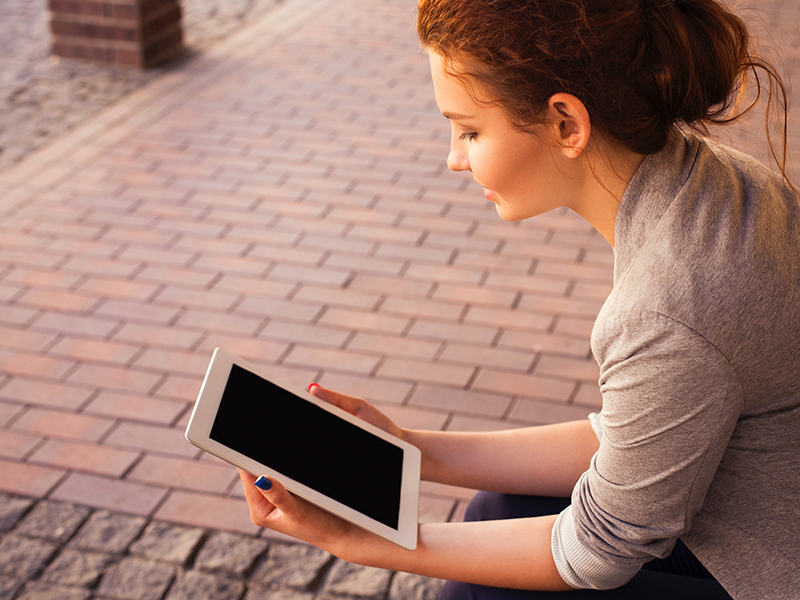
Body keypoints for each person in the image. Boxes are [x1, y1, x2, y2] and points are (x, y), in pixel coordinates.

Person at [237, 0, 800, 598]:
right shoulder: (718, 182)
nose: (454, 158)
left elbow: (596, 552)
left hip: (768, 569)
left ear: (566, 125)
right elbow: (634, 434)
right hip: (756, 523)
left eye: (470, 130)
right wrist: (408, 449)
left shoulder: (666, 309)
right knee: (496, 507)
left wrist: (354, 541)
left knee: (487, 590)